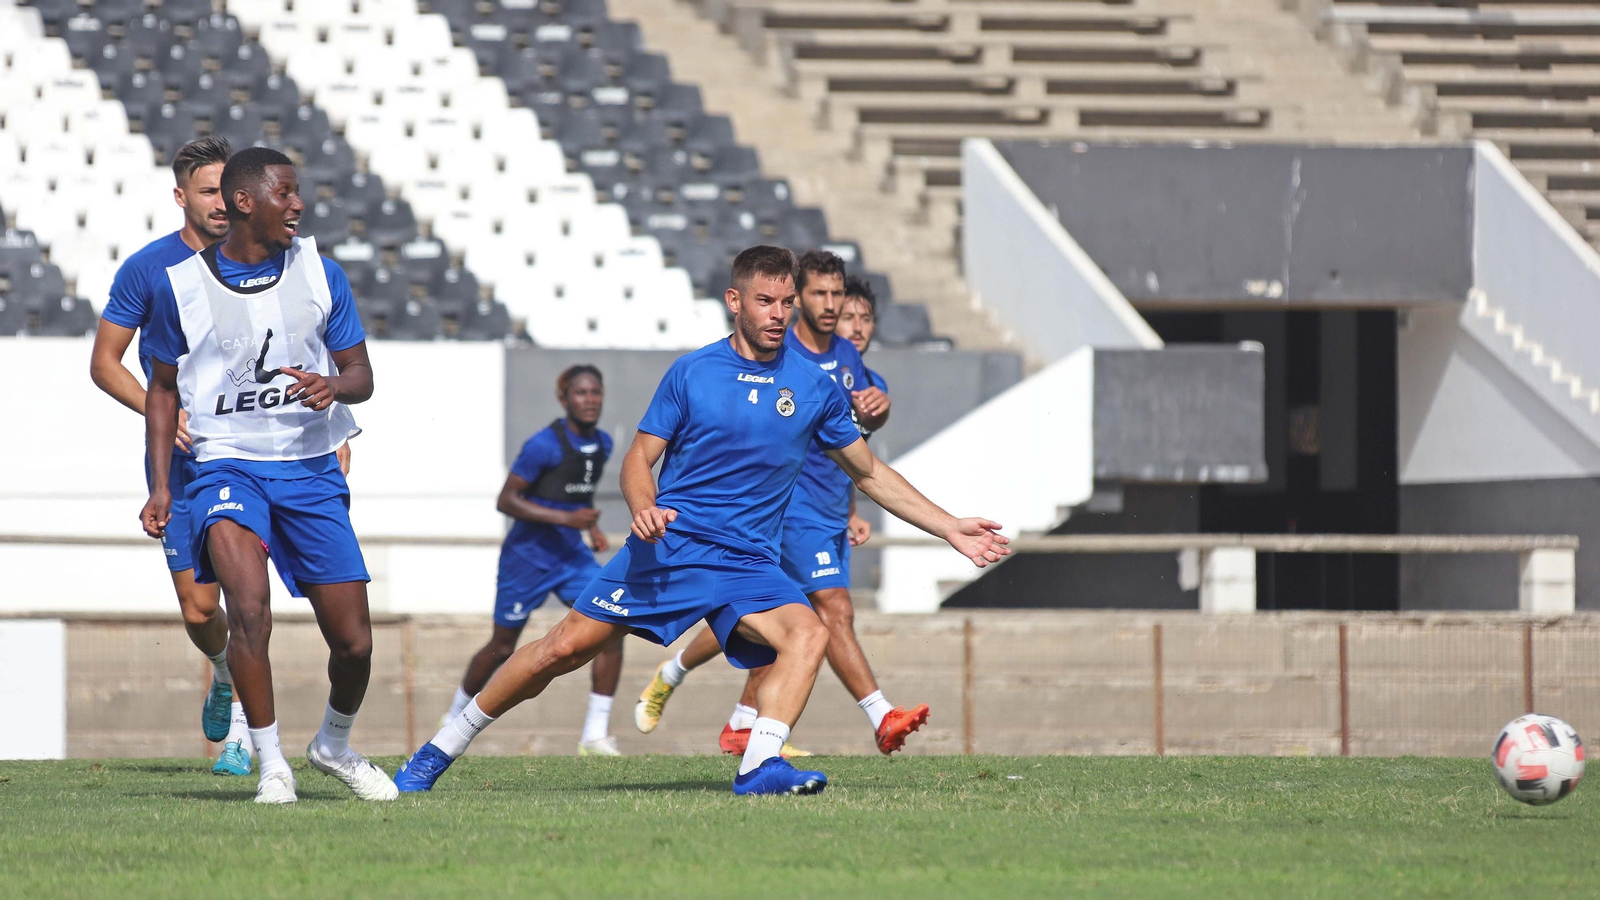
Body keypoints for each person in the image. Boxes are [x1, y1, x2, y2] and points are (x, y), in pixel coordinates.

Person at [393, 245, 1008, 796]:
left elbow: (869, 472)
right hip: (674, 548)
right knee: (561, 650)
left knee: (809, 634)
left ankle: (759, 765)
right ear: (735, 301)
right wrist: (644, 507)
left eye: (786, 302)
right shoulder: (692, 373)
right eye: (766, 301)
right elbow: (640, 456)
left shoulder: (812, 386)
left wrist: (949, 526)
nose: (779, 313)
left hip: (749, 563)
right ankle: (442, 747)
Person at [139, 147, 392, 805]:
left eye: (298, 191)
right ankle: (271, 763)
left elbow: (362, 376)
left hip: (309, 470)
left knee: (355, 645)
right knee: (247, 611)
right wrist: (163, 485)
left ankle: (332, 746)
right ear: (246, 202)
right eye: (287, 192)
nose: (299, 204)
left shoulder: (321, 274)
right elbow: (163, 388)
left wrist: (332, 385)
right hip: (226, 465)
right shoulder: (181, 286)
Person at [632, 253, 924, 757]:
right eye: (818, 296)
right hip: (789, 513)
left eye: (847, 303)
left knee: (777, 626)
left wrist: (854, 501)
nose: (834, 309)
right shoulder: (773, 356)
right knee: (832, 609)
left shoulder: (846, 364)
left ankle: (734, 716)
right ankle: (881, 714)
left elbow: (851, 453)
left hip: (830, 513)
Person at [88, 136, 260, 776]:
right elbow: (105, 363)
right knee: (200, 609)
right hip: (180, 463)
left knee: (246, 601)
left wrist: (338, 432)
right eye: (209, 191)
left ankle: (244, 735)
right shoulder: (147, 268)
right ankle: (221, 672)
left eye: (229, 190)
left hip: (248, 458)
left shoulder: (263, 261)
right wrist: (164, 414)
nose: (222, 203)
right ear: (181, 195)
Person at [437, 364, 626, 756]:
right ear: (564, 399)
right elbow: (506, 500)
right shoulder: (544, 445)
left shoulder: (604, 443)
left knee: (611, 622)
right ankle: (452, 719)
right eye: (581, 393)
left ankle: (595, 734)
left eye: (596, 392)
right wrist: (567, 519)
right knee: (502, 646)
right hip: (526, 558)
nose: (590, 400)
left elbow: (575, 494)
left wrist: (588, 527)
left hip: (570, 555)